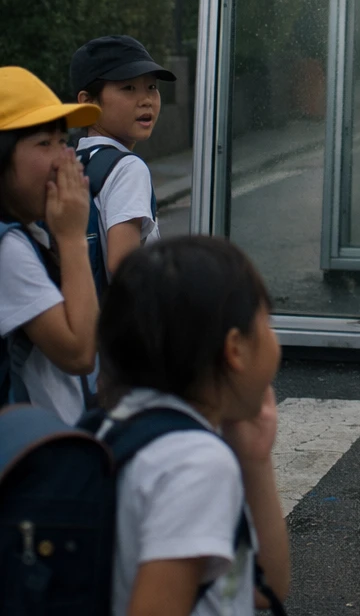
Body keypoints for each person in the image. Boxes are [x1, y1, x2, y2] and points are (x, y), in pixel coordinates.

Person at [97, 235, 289, 616]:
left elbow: (264, 590)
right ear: (235, 349)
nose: (275, 339)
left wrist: (254, 461)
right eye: (266, 322)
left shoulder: (122, 427)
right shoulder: (195, 465)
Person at [0, 66, 101, 421]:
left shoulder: (28, 232)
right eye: (44, 144)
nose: (64, 159)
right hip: (33, 459)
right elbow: (78, 353)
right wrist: (72, 237)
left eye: (63, 141)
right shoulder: (6, 249)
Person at [69, 35, 176, 277]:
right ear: (87, 103)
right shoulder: (128, 169)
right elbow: (126, 272)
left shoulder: (73, 162)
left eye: (152, 87)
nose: (146, 100)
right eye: (128, 88)